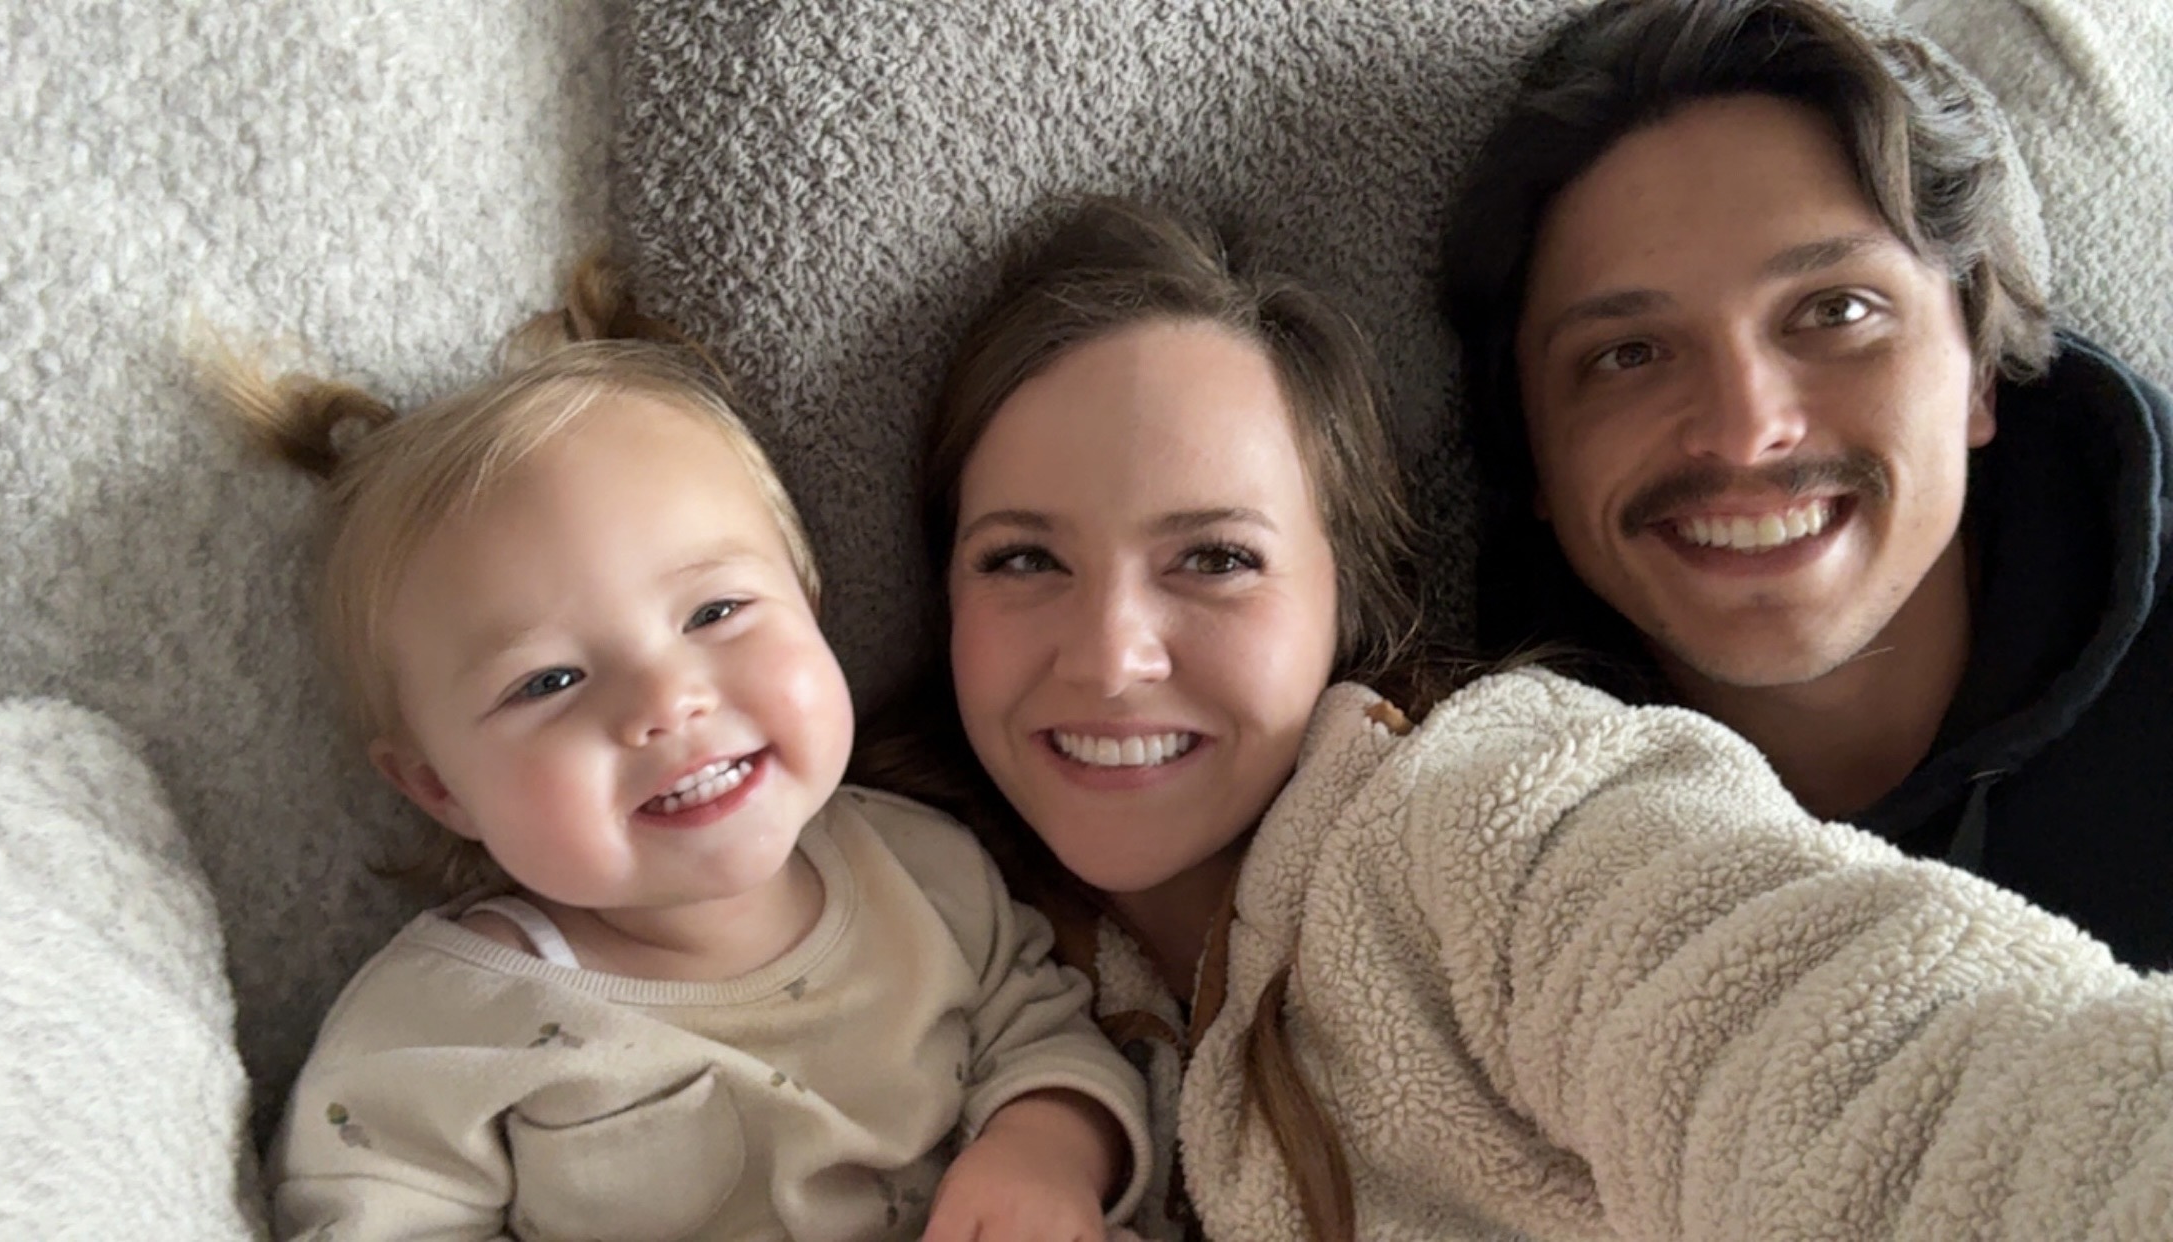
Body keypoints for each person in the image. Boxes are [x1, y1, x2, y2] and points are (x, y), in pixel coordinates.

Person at [855, 195, 2173, 1242]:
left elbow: (1888, 1068)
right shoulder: (910, 939)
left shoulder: (1485, 821)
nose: (1111, 655)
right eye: (1024, 559)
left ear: (1347, 600)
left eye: (1215, 558)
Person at [219, 262, 1153, 1241]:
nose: (667, 704)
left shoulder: (925, 875)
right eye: (550, 682)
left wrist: (1041, 1153)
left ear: (811, 608)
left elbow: (1049, 1041)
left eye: (715, 612)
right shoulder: (439, 1025)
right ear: (438, 787)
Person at [1442, 0, 2173, 969]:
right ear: (1530, 449)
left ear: (1979, 373)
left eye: (1836, 310)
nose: (1746, 431)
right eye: (1628, 354)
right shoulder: (1484, 838)